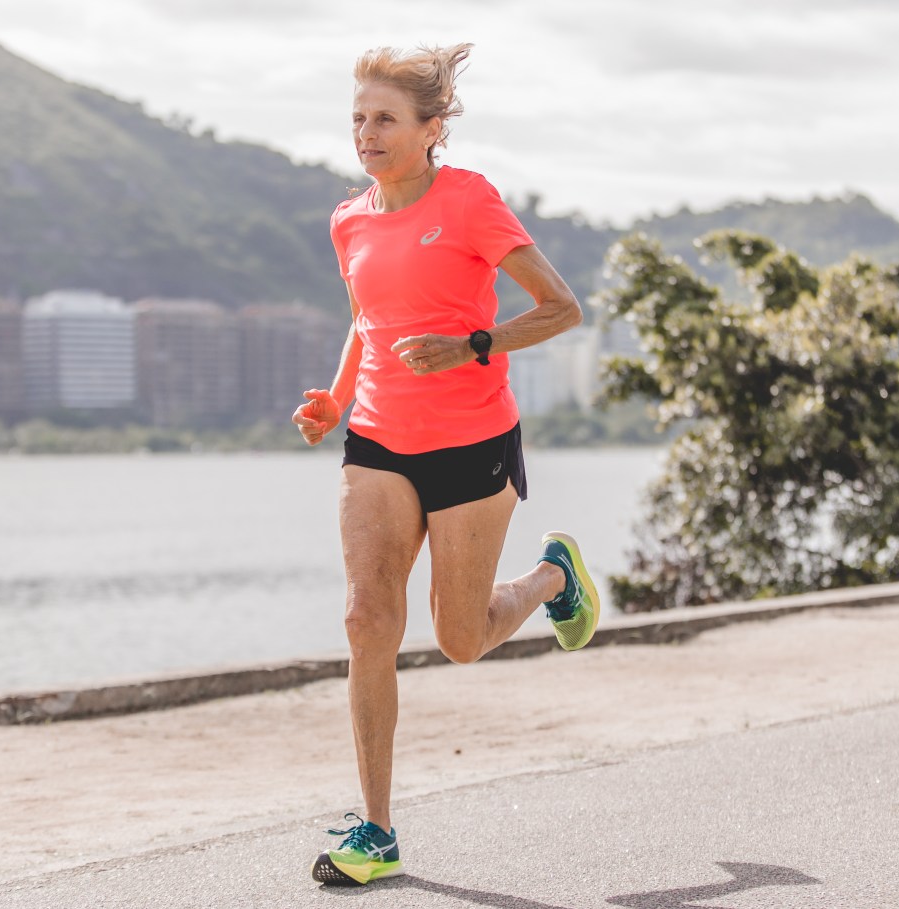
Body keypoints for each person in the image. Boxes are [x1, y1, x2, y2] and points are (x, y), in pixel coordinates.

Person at [292, 42, 600, 887]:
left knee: (460, 638)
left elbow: (560, 307)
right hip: (380, 440)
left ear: (432, 129)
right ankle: (379, 831)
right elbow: (366, 321)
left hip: (472, 441)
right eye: (358, 117)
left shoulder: (470, 202)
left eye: (385, 118)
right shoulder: (348, 219)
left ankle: (552, 577)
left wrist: (474, 342)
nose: (366, 131)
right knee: (366, 619)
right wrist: (336, 397)